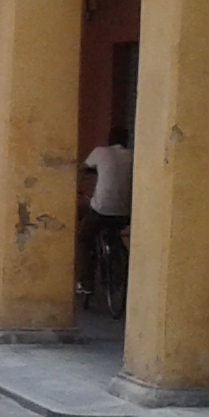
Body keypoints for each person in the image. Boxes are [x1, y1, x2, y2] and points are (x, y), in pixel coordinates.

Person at [79, 127, 132, 299]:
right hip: (124, 213)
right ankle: (121, 263)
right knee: (117, 234)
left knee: (84, 238)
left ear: (109, 139)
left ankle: (86, 283)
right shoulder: (132, 156)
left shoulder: (100, 152)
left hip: (101, 211)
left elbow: (83, 168)